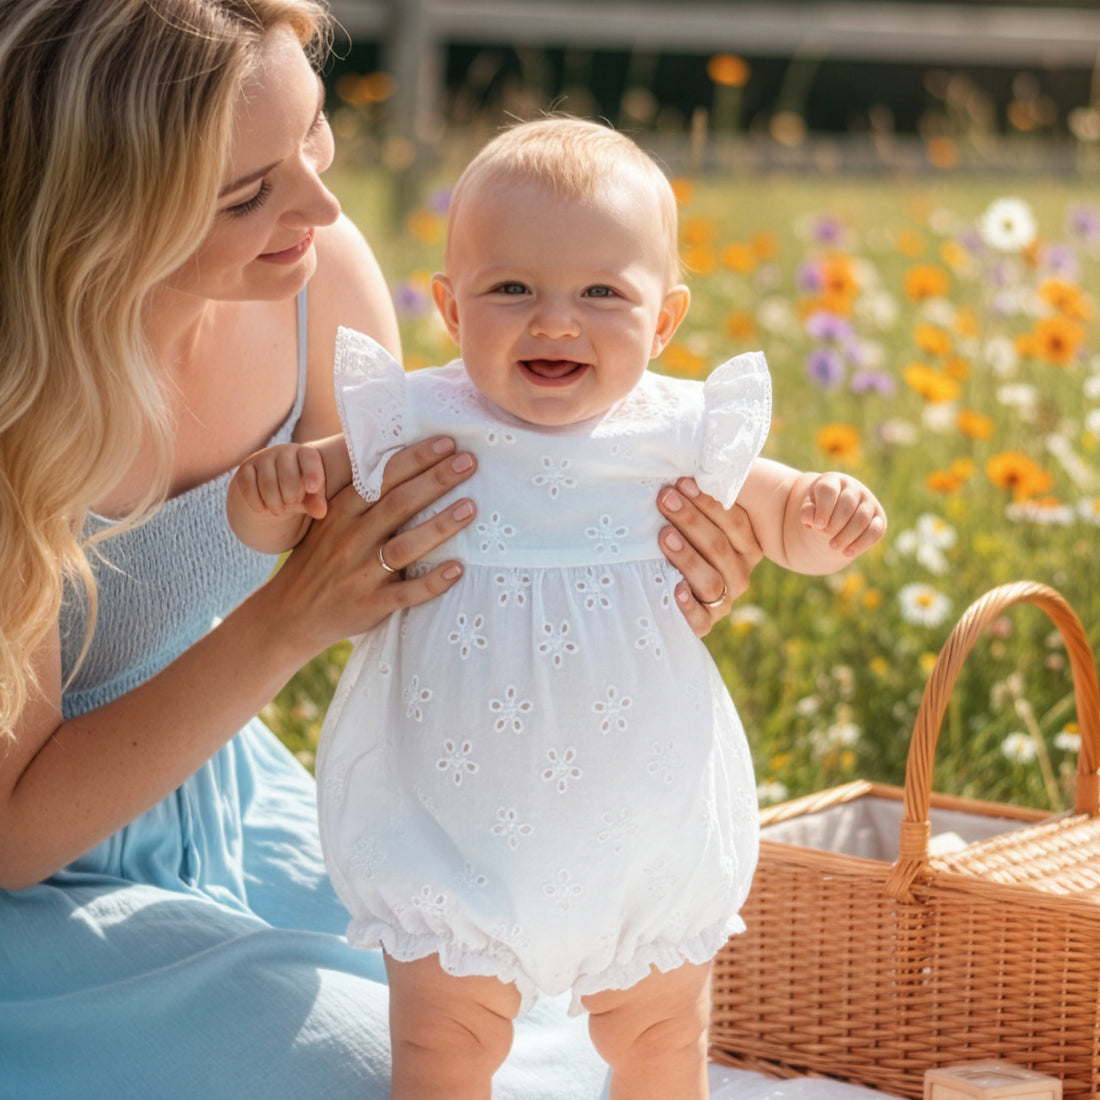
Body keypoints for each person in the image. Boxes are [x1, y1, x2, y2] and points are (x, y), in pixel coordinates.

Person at [0, 7, 763, 1098]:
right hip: (38, 877)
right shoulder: (19, 406)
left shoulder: (316, 280)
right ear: (109, 212)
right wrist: (288, 615)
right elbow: (13, 834)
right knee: (363, 1069)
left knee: (527, 1005)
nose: (317, 203)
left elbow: (454, 554)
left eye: (311, 137)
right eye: (244, 192)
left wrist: (653, 568)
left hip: (224, 800)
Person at [227, 117, 887, 1100]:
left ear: (662, 322)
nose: (553, 321)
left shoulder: (672, 425)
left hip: (639, 820)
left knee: (661, 1038)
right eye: (511, 289)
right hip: (447, 817)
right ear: (450, 309)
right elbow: (293, 512)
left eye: (599, 294)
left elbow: (776, 518)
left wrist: (818, 517)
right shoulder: (415, 418)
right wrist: (268, 494)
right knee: (440, 1044)